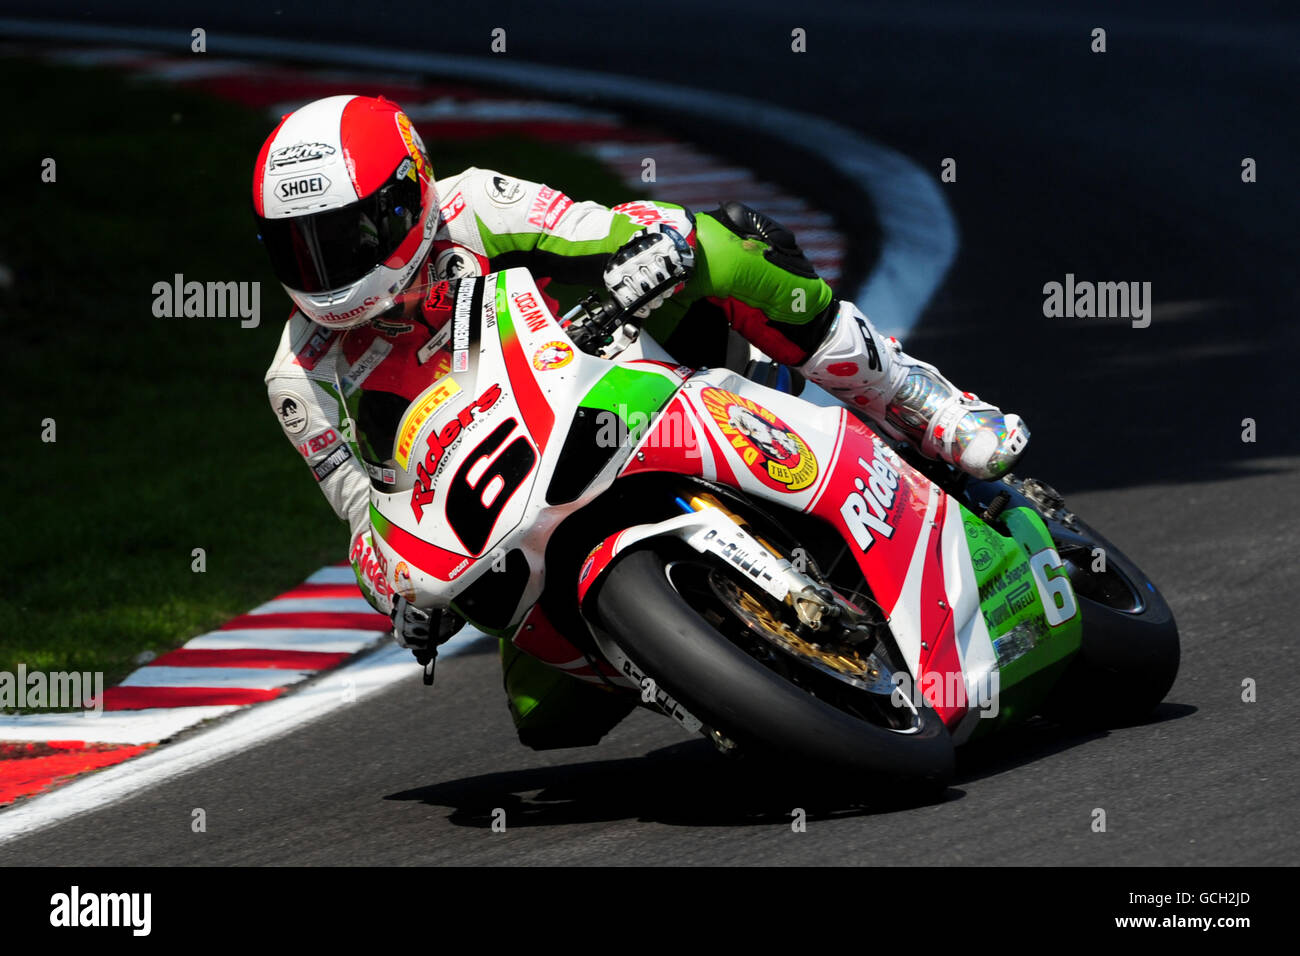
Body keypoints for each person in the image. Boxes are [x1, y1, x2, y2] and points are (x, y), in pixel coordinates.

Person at [256, 94, 1028, 745]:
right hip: (506, 515)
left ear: (408, 194)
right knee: (544, 718)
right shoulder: (299, 376)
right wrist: (396, 597)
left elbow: (607, 231)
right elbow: (363, 520)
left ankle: (919, 401)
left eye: (347, 236)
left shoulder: (476, 204)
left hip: (614, 376)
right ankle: (717, 672)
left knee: (725, 242)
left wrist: (653, 252)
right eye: (300, 250)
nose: (328, 271)